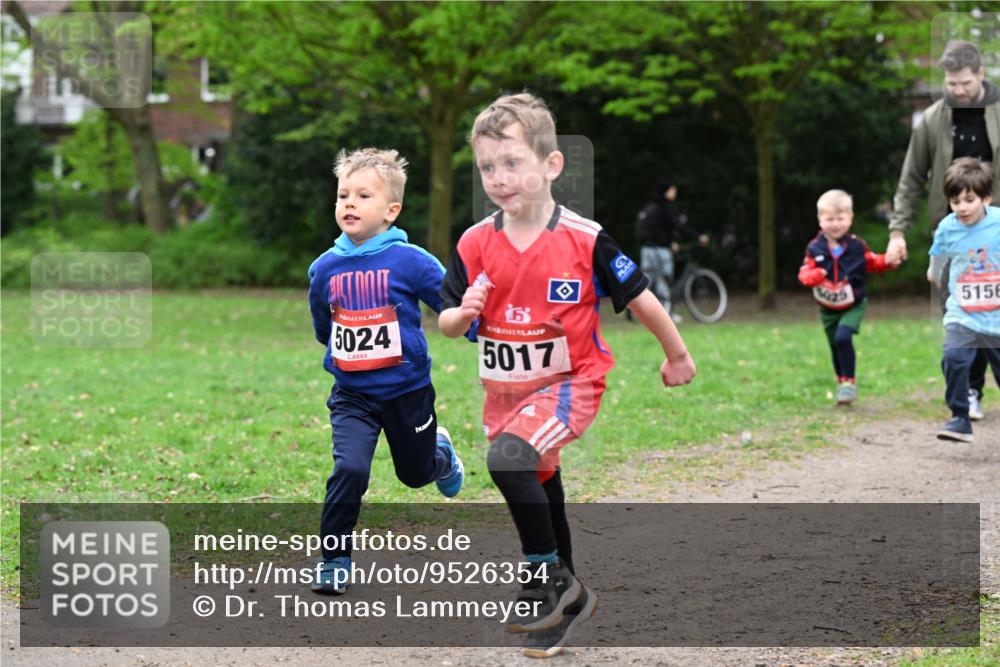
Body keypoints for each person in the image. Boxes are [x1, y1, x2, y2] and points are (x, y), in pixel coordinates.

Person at [438, 93, 696, 657]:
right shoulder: (474, 242)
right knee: (538, 477)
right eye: (487, 167)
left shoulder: (584, 238)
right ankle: (567, 597)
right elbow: (448, 321)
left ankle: (545, 578)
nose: (499, 178)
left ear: (551, 164)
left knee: (508, 460)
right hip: (507, 392)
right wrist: (464, 311)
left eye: (512, 162)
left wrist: (676, 355)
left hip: (570, 385)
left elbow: (642, 297)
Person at [307, 148, 464, 594]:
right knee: (350, 470)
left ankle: (441, 454)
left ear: (391, 210)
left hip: (407, 392)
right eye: (343, 195)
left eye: (363, 196)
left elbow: (450, 305)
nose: (349, 203)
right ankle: (334, 560)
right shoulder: (324, 268)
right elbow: (323, 325)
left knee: (414, 475)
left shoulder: (412, 261)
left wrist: (480, 329)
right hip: (352, 394)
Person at [886, 40, 1000, 421]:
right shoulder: (933, 119)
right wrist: (898, 231)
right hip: (955, 234)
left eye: (965, 83)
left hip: (996, 232)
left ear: (981, 74)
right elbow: (911, 178)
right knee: (965, 312)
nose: (958, 90)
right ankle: (971, 389)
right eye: (951, 83)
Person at [798, 190, 897, 405]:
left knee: (843, 338)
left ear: (850, 218)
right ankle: (841, 381)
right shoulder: (814, 248)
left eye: (840, 218)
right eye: (829, 219)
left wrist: (889, 261)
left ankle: (849, 383)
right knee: (835, 345)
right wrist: (815, 276)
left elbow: (872, 262)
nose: (835, 224)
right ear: (820, 220)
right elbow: (804, 273)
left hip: (853, 304)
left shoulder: (856, 246)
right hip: (827, 308)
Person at [926, 158, 1000, 442]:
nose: (962, 208)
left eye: (969, 200)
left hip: (996, 317)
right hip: (964, 312)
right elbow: (938, 257)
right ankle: (959, 417)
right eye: (955, 201)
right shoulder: (947, 227)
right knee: (953, 357)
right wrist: (934, 273)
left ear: (986, 198)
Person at [634, 179, 707, 321]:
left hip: (647, 249)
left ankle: (636, 311)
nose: (675, 193)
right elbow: (678, 225)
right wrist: (698, 236)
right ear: (666, 191)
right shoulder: (665, 207)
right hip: (660, 250)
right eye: (672, 190)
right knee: (665, 282)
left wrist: (670, 242)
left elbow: (655, 229)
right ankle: (666, 314)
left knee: (646, 281)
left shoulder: (650, 206)